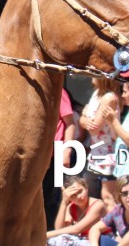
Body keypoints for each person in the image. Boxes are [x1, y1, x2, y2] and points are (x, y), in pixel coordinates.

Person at [80, 77, 121, 212]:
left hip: (108, 154)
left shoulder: (109, 98)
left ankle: (115, 225)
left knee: (108, 197)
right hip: (96, 153)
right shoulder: (96, 94)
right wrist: (84, 120)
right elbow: (82, 120)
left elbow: (94, 128)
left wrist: (84, 118)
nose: (91, 75)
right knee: (91, 197)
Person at [43, 88, 77, 231]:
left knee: (53, 198)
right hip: (40, 157)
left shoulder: (59, 92)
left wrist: (67, 151)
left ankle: (51, 234)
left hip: (56, 155)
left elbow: (70, 123)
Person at [47, 176, 107, 246]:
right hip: (82, 240)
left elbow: (77, 229)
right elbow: (59, 229)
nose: (78, 197)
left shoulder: (98, 205)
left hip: (100, 240)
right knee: (53, 241)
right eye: (73, 195)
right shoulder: (71, 207)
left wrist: (47, 234)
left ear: (86, 189)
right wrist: (64, 202)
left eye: (80, 191)